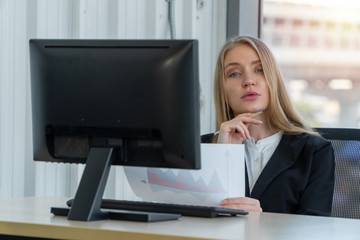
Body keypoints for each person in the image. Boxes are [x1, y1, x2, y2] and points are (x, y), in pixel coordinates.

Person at [202, 36, 335, 216]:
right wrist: (223, 153)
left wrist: (262, 220)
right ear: (223, 89)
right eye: (234, 73)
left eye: (259, 70)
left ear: (273, 80)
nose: (248, 81)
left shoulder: (314, 151)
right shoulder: (202, 149)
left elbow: (314, 231)